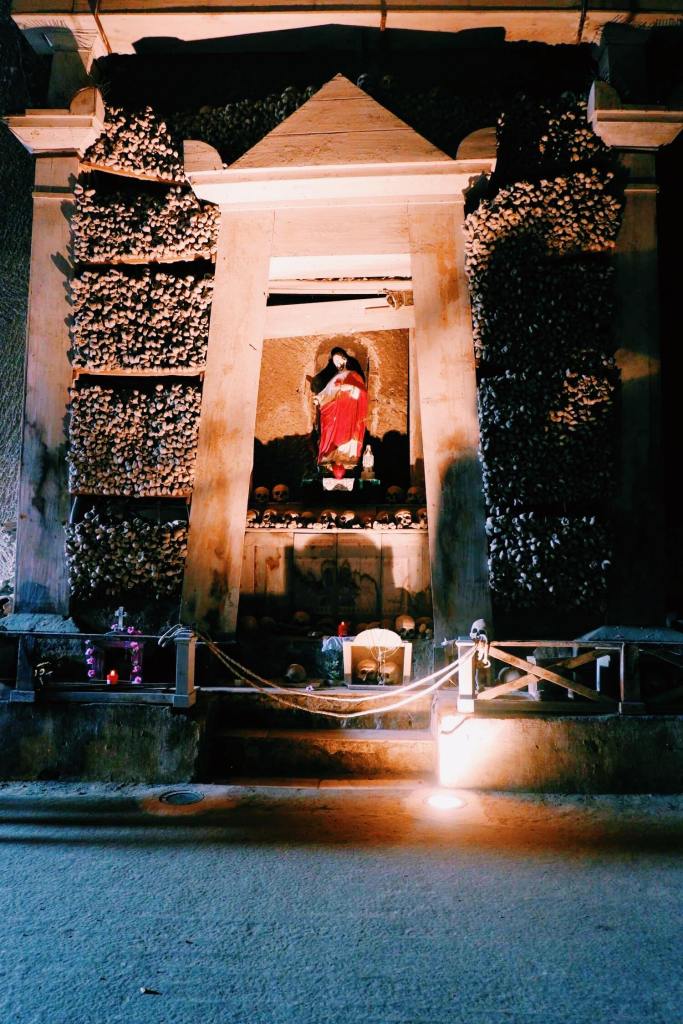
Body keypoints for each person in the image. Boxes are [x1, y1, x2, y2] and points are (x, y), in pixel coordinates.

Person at [310, 347, 368, 478]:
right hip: (332, 413)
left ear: (345, 359)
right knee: (329, 434)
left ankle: (346, 458)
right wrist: (318, 398)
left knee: (346, 434)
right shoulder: (334, 378)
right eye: (334, 362)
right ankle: (329, 458)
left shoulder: (353, 375)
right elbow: (326, 393)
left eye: (339, 360)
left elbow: (361, 392)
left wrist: (347, 388)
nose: (337, 364)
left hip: (347, 412)